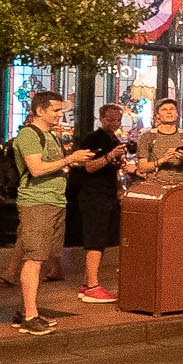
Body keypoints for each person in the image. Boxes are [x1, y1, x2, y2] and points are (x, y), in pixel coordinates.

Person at [8, 90, 93, 336]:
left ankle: (25, 310)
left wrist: (72, 161)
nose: (59, 115)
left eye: (60, 110)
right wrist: (69, 160)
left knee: (43, 257)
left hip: (55, 201)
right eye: (55, 110)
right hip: (37, 202)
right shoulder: (29, 134)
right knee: (34, 258)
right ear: (40, 110)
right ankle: (29, 316)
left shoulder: (50, 136)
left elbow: (53, 166)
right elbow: (35, 169)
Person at [68, 102, 129, 303]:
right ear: (101, 118)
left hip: (108, 194)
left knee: (102, 238)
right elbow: (88, 167)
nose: (114, 122)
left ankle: (87, 283)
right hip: (93, 195)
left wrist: (119, 181)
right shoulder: (92, 139)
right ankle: (93, 285)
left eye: (118, 119)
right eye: (110, 119)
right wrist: (109, 156)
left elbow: (113, 169)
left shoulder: (115, 139)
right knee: (95, 238)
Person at [135, 98, 183, 182]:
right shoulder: (147, 136)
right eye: (164, 110)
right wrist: (162, 160)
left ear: (177, 113)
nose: (169, 112)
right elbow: (141, 168)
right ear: (157, 115)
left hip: (181, 186)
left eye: (172, 109)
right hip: (155, 186)